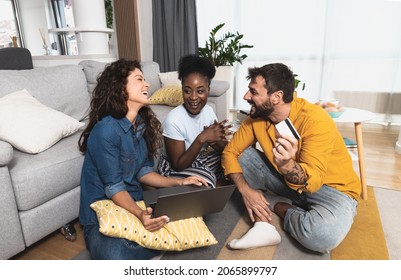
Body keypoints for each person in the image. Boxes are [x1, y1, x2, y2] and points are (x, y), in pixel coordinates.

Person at [221, 63, 360, 253]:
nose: (246, 96)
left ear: (276, 97)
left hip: (332, 190)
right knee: (242, 157)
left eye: (253, 92)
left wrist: (287, 165)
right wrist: (245, 190)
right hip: (284, 182)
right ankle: (269, 219)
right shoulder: (257, 117)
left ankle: (280, 206)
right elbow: (230, 152)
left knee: (322, 236)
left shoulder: (315, 120)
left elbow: (313, 183)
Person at [78, 59, 208, 260]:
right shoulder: (105, 130)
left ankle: (155, 237)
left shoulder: (140, 124)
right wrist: (140, 216)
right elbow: (114, 187)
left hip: (136, 204)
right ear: (120, 87)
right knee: (116, 255)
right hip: (103, 213)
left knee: (195, 215)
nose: (147, 85)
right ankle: (160, 241)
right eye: (139, 80)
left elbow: (143, 172)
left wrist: (181, 181)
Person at [157, 54, 232, 188]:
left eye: (200, 91)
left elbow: (219, 147)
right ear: (182, 90)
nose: (193, 97)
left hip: (200, 159)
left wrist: (219, 139)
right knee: (203, 180)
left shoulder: (208, 111)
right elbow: (178, 165)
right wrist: (201, 138)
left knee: (234, 160)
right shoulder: (174, 119)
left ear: (208, 90)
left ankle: (216, 184)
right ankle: (216, 184)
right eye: (187, 91)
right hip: (174, 169)